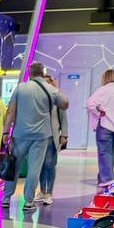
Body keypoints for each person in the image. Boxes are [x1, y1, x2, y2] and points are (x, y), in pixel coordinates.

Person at [2, 63, 68, 213]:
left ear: (30, 74)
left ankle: (6, 198)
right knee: (34, 169)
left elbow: (11, 111)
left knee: (13, 166)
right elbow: (65, 104)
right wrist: (56, 88)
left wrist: (6, 132)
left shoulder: (21, 88)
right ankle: (28, 201)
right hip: (41, 136)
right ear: (43, 73)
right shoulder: (50, 90)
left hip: (19, 135)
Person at [38, 73, 69, 205]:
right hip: (39, 137)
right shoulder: (37, 99)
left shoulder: (57, 99)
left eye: (47, 83)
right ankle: (42, 191)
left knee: (50, 165)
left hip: (52, 136)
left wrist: (64, 135)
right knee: (40, 165)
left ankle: (49, 193)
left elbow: (63, 118)